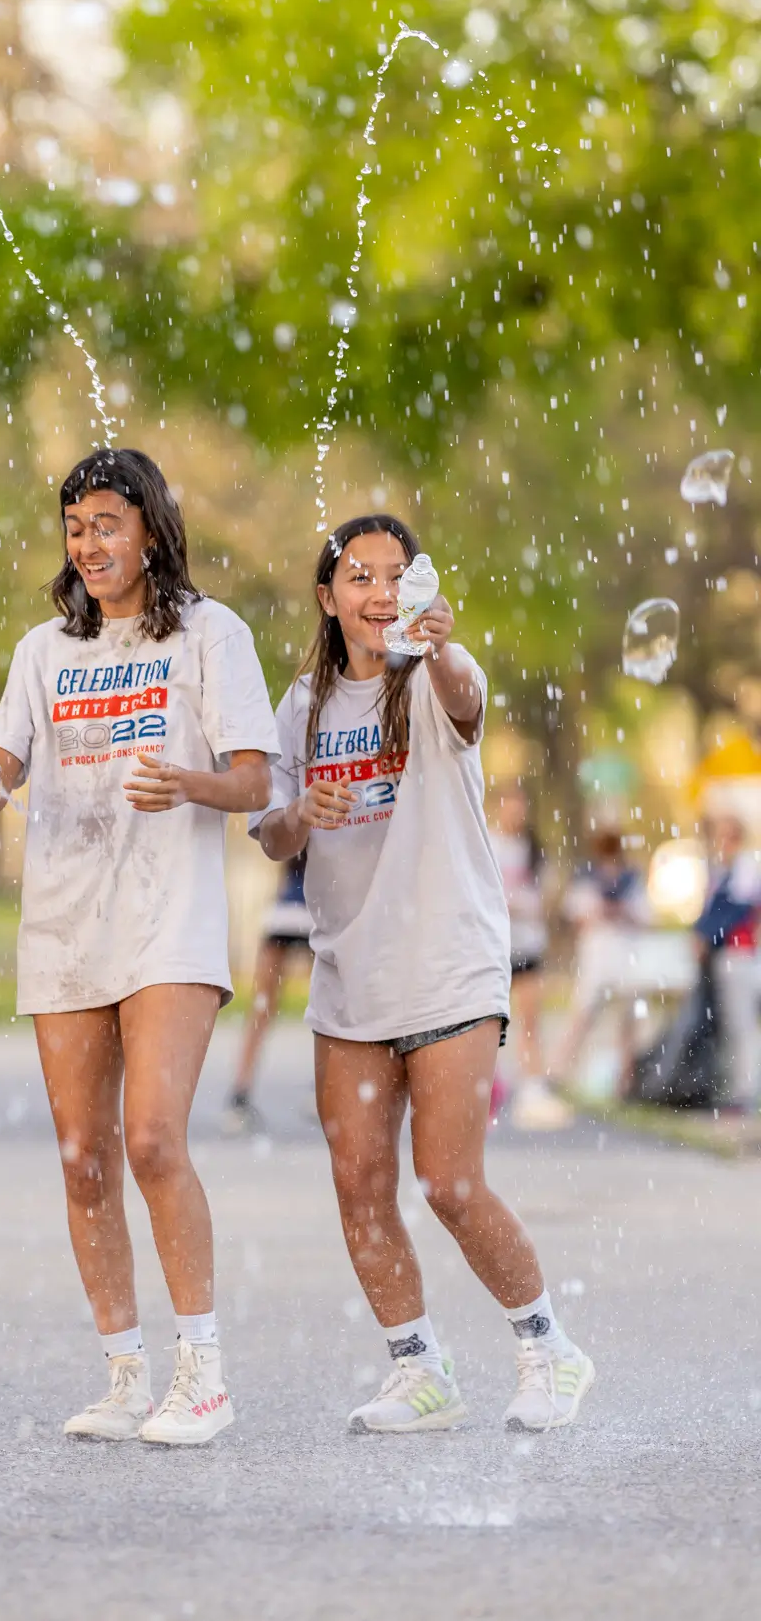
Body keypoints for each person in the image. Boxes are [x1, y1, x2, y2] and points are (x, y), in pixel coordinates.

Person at [0, 448, 278, 1447]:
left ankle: (200, 1376)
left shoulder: (209, 634)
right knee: (83, 1156)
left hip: (167, 919)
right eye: (74, 526)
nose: (88, 544)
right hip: (63, 919)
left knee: (149, 1142)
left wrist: (187, 781)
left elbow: (256, 779)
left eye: (106, 523)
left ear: (150, 530)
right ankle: (125, 1373)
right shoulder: (42, 650)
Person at [251, 513, 594, 1436]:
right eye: (358, 577)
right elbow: (271, 830)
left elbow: (468, 699)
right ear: (328, 598)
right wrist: (304, 817)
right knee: (359, 1185)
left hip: (448, 963)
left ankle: (548, 1349)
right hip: (349, 975)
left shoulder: (440, 677)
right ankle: (420, 1370)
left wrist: (437, 641)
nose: (377, 593)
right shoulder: (302, 708)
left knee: (448, 1182)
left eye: (394, 576)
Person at [491, 784, 569, 1129]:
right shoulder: (488, 844)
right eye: (510, 804)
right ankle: (490, 1083)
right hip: (495, 946)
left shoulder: (536, 851)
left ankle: (532, 1087)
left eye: (520, 805)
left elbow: (550, 899)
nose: (515, 812)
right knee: (490, 1022)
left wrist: (529, 906)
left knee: (529, 1020)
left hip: (528, 945)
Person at [551, 827, 651, 1096]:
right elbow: (577, 916)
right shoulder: (587, 877)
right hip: (597, 956)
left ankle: (625, 1082)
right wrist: (605, 911)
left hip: (626, 957)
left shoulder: (631, 879)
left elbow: (644, 917)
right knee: (582, 1016)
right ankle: (559, 1073)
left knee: (627, 1022)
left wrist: (618, 911)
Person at [225, 851, 312, 1136]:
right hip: (312, 900)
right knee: (331, 1001)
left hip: (291, 901)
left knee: (262, 1005)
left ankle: (240, 1092)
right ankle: (324, 1088)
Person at [695, 813, 761, 1114]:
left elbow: (737, 910)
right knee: (728, 1025)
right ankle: (728, 1086)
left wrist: (707, 936)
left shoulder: (745, 868)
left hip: (740, 954)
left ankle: (743, 1092)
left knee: (741, 1025)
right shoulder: (719, 871)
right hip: (724, 957)